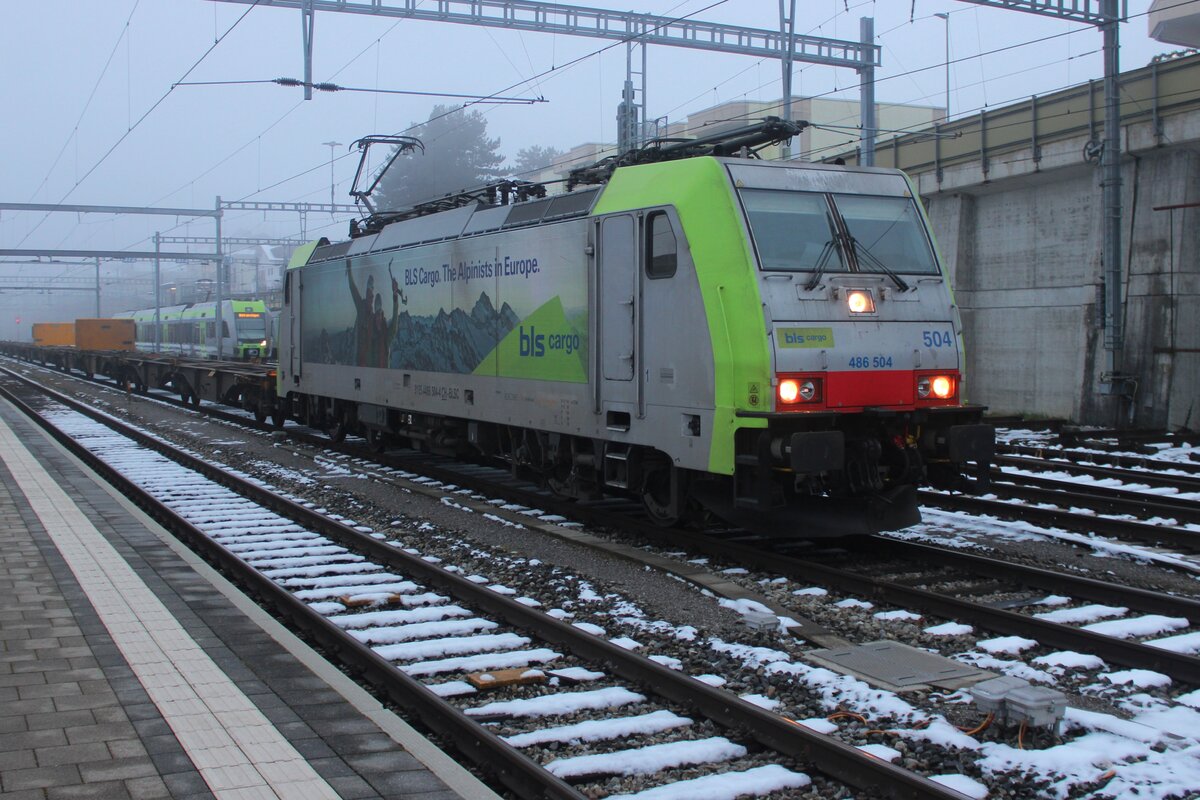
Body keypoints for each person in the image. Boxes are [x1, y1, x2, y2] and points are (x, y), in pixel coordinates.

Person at [370, 271, 403, 368]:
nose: (378, 319)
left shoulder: (386, 336)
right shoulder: (371, 335)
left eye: (379, 315)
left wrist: (395, 295)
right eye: (376, 316)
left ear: (382, 315)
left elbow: (395, 320)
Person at [346, 259, 375, 366]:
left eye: (371, 296)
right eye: (369, 295)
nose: (370, 299)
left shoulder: (374, 316)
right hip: (359, 358)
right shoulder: (360, 306)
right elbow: (352, 288)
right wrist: (349, 271)